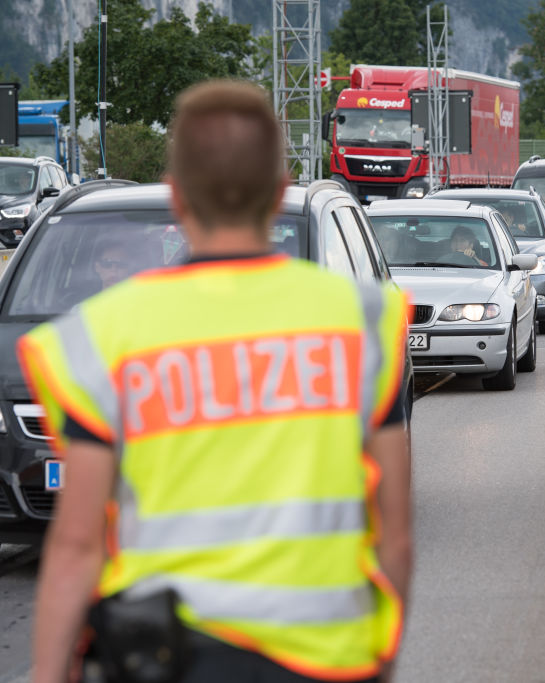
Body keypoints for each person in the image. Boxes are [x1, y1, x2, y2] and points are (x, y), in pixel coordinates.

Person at [20, 81, 412, 683]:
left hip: (168, 656)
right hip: (328, 658)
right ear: (279, 190)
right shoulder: (362, 321)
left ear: (178, 197)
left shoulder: (105, 335)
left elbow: (76, 544)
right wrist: (378, 659)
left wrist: (50, 672)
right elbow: (394, 532)